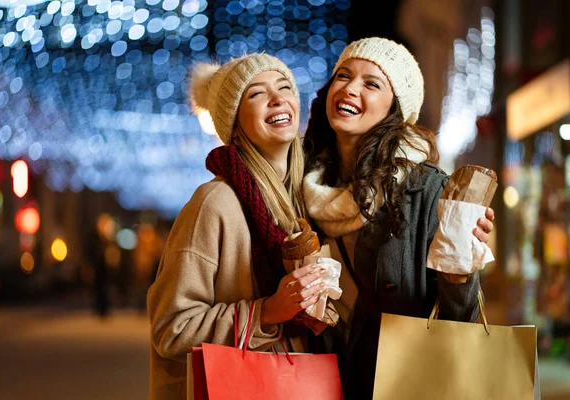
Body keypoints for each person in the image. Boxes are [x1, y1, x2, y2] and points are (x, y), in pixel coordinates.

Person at [302, 37, 495, 398]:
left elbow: (461, 322)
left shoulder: (427, 188)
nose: (349, 88)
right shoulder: (303, 185)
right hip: (322, 382)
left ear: (395, 107)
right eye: (343, 76)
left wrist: (460, 270)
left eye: (371, 83)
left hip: (405, 383)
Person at [147, 53, 327, 400]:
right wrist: (266, 312)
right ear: (234, 122)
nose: (277, 98)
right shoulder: (214, 203)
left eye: (285, 86)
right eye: (257, 93)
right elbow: (171, 328)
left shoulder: (310, 200)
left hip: (301, 382)